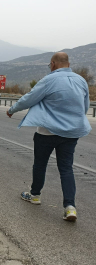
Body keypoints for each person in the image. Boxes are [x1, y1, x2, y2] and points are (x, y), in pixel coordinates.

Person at [6, 52, 91, 221]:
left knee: (40, 165)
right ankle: (70, 207)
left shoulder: (49, 80)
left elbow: (29, 99)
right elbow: (85, 107)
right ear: (68, 63)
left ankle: (35, 195)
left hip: (46, 132)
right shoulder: (81, 81)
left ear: (52, 64)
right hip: (70, 133)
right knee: (66, 168)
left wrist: (12, 110)